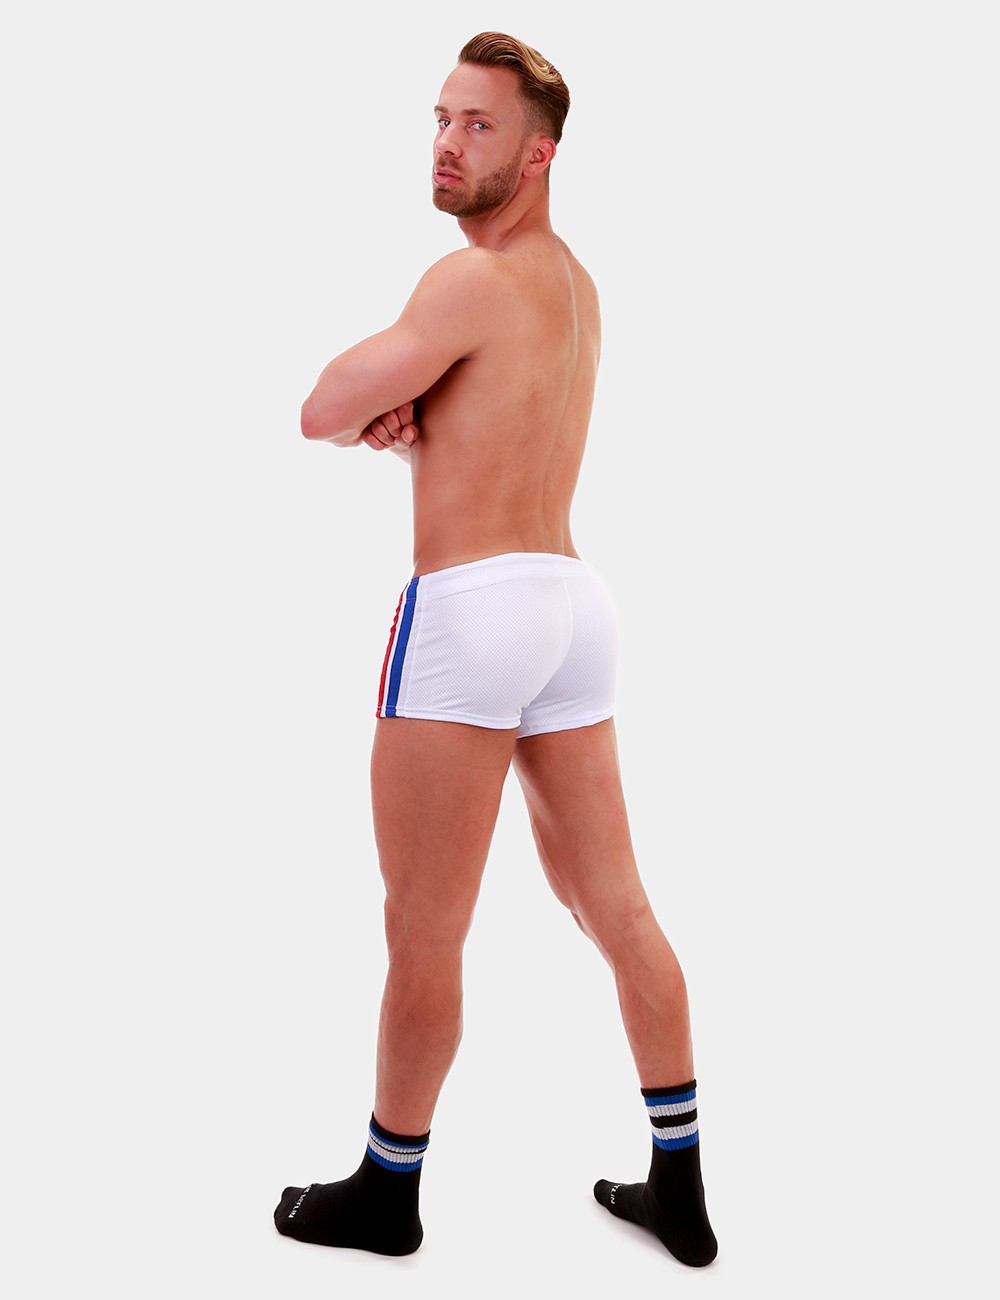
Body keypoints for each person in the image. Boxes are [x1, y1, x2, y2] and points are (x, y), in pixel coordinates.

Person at [274, 31, 718, 1268]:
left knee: (424, 927)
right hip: (569, 607)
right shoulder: (574, 286)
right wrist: (412, 421)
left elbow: (318, 408)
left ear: (538, 155)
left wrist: (376, 412)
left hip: (469, 611)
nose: (446, 144)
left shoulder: (465, 282)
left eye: (477, 126)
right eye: (440, 118)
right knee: (614, 905)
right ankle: (680, 1182)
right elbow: (483, 425)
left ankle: (386, 1190)